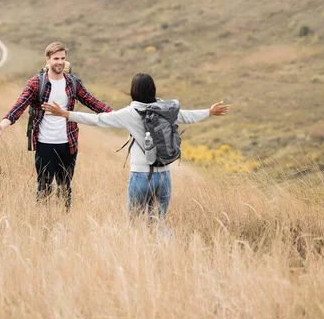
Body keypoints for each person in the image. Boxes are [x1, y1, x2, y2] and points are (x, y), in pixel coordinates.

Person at [42, 72, 230, 220]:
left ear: (133, 91)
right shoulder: (166, 109)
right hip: (164, 175)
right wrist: (209, 111)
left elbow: (98, 119)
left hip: (140, 175)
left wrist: (66, 114)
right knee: (157, 223)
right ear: (153, 90)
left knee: (135, 224)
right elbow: (188, 115)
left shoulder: (130, 113)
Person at [0, 41, 112, 209]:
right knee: (44, 187)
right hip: (45, 144)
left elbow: (93, 102)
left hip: (68, 144)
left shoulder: (73, 83)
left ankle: (64, 223)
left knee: (65, 188)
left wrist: (119, 116)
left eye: (62, 58)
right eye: (56, 58)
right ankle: (43, 222)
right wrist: (3, 125)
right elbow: (19, 106)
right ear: (47, 60)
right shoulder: (36, 83)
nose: (60, 62)